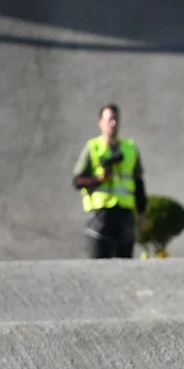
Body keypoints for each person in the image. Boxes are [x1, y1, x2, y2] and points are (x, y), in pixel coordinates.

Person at [72, 103, 148, 258]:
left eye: (116, 119)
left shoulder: (130, 148)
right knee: (99, 265)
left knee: (125, 267)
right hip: (101, 215)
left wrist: (141, 214)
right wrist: (99, 179)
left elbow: (138, 183)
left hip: (125, 214)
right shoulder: (93, 147)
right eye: (109, 119)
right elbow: (77, 181)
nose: (113, 123)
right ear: (100, 122)